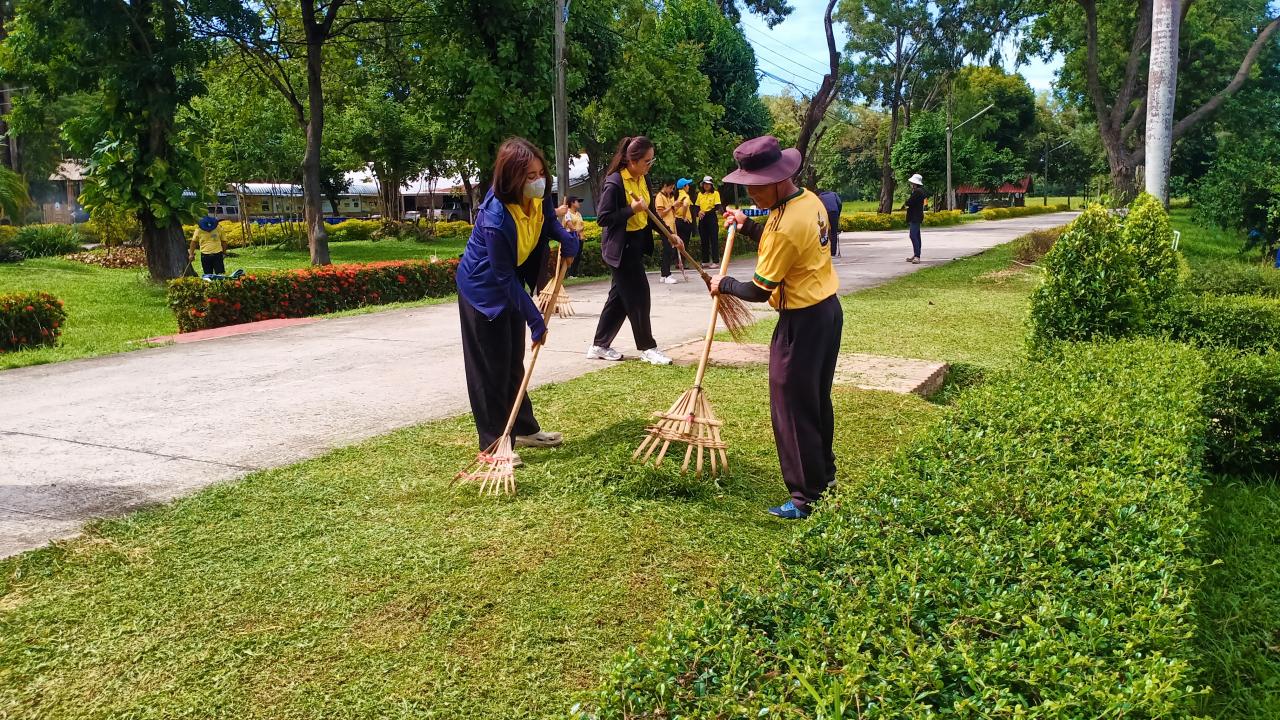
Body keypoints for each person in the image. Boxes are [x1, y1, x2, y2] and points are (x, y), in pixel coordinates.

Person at [709, 136, 842, 520]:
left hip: (800, 322)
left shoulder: (785, 225)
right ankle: (824, 476)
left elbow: (758, 288)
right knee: (815, 399)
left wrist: (724, 284)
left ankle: (806, 498)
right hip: (827, 313)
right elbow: (782, 233)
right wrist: (748, 225)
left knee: (790, 407)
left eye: (755, 186)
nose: (750, 192)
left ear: (777, 178)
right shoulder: (807, 200)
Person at [456, 136, 580, 456]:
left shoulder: (537, 198)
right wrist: (534, 317)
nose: (538, 182)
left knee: (513, 361)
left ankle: (524, 428)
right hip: (482, 292)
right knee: (489, 369)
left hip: (509, 286)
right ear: (512, 177)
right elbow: (502, 276)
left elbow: (548, 222)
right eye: (530, 176)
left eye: (541, 174)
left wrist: (566, 238)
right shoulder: (496, 217)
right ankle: (494, 445)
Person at [587, 135, 675, 366]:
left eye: (651, 161)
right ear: (632, 160)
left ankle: (599, 345)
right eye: (647, 161)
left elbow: (649, 214)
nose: (649, 165)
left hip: (636, 244)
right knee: (639, 295)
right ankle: (648, 347)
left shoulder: (642, 179)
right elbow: (603, 218)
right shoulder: (615, 182)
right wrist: (630, 209)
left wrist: (670, 234)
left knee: (618, 299)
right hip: (620, 248)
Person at [653, 179, 681, 284]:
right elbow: (660, 214)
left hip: (671, 226)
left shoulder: (668, 197)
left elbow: (671, 211)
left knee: (669, 251)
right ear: (665, 186)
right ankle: (666, 274)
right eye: (670, 188)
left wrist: (675, 206)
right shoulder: (659, 197)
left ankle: (664, 274)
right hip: (664, 226)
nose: (671, 190)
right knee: (668, 251)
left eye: (672, 188)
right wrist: (672, 206)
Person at [695, 176, 722, 268]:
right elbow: (697, 206)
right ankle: (705, 260)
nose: (706, 186)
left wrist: (706, 212)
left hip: (711, 217)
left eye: (708, 184)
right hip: (702, 218)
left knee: (714, 239)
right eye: (705, 184)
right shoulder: (700, 194)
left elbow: (717, 207)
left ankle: (715, 261)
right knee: (704, 240)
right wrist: (699, 212)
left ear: (711, 185)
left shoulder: (715, 193)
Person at [901, 173, 927, 264]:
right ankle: (916, 254)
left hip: (915, 216)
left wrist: (906, 203)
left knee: (913, 235)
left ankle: (917, 256)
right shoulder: (920, 191)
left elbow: (909, 202)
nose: (911, 185)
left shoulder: (917, 192)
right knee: (917, 236)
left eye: (912, 183)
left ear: (915, 183)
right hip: (917, 215)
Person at [674, 178, 696, 265]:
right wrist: (684, 216)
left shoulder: (675, 195)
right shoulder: (686, 196)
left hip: (676, 220)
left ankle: (677, 261)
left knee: (677, 241)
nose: (689, 186)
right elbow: (686, 204)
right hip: (684, 222)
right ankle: (682, 262)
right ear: (684, 186)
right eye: (687, 185)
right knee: (684, 243)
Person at [563, 196, 586, 276]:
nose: (579, 203)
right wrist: (577, 230)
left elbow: (582, 225)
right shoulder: (567, 213)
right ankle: (568, 274)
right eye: (577, 201)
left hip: (579, 237)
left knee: (578, 256)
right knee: (572, 255)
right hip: (571, 237)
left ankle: (573, 274)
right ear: (572, 203)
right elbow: (569, 225)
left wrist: (579, 231)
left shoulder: (578, 214)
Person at [817, 189, 842, 258]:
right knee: (834, 232)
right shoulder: (834, 194)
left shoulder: (820, 196)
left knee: (824, 232)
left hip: (825, 212)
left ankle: (824, 251)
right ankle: (833, 252)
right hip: (834, 212)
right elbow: (839, 203)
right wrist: (838, 214)